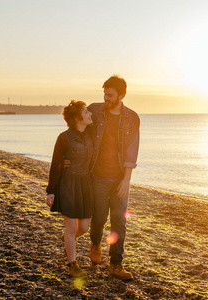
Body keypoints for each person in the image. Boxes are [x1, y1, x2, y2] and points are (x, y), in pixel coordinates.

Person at [87, 75, 140, 281]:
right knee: (99, 217)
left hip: (119, 179)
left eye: (110, 95)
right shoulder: (94, 110)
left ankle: (115, 265)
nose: (106, 98)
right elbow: (79, 131)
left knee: (119, 221)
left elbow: (132, 150)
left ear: (122, 95)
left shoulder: (132, 118)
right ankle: (95, 243)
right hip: (97, 177)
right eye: (104, 94)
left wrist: (126, 179)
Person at [46, 100, 93, 278]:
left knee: (84, 227)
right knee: (71, 226)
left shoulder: (91, 134)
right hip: (68, 184)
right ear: (75, 118)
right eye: (86, 112)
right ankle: (73, 264)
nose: (90, 114)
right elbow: (56, 164)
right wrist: (50, 190)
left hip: (85, 185)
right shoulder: (63, 137)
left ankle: (67, 240)